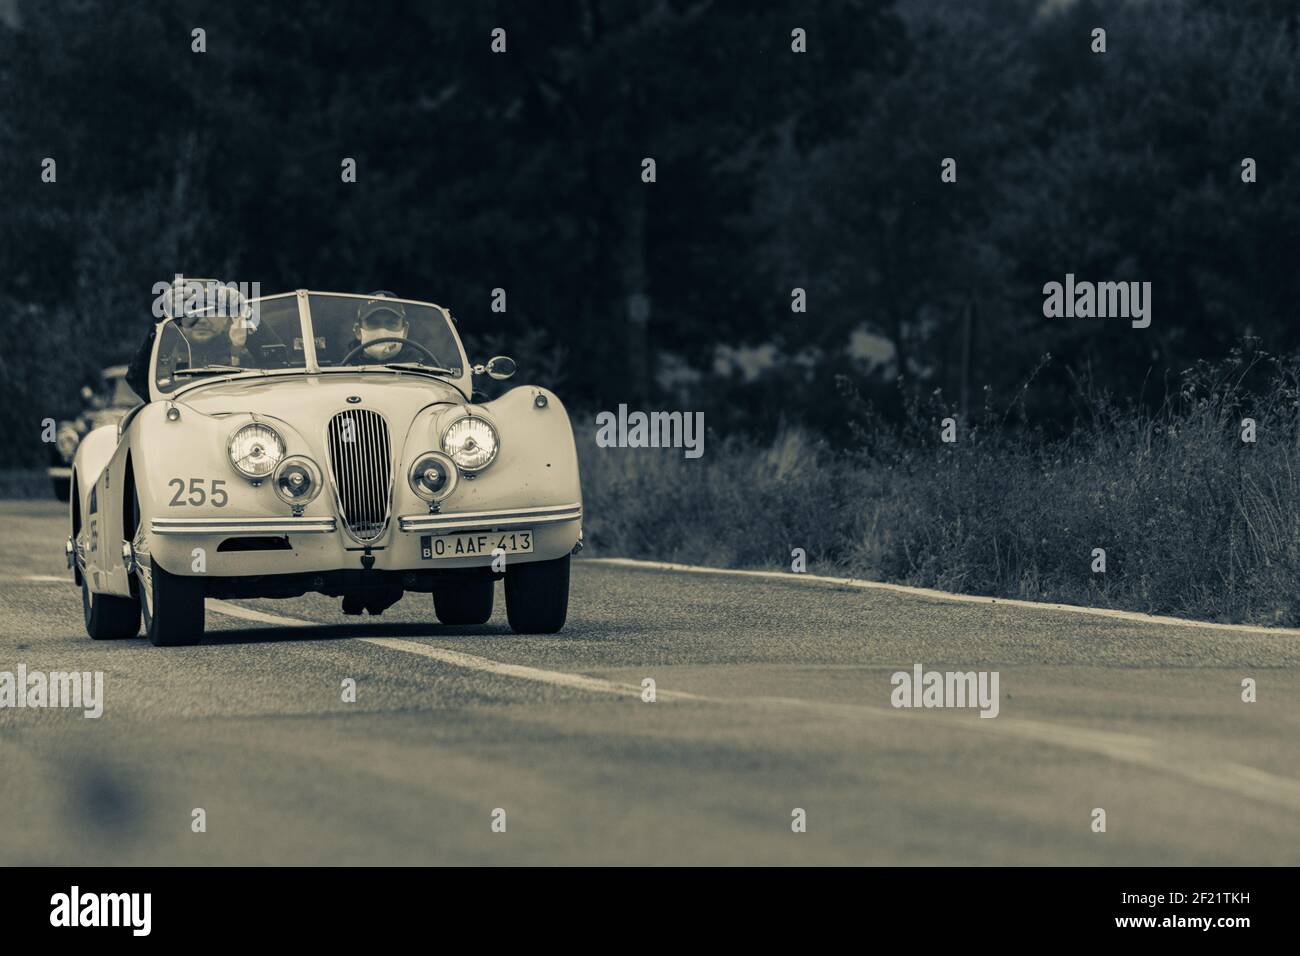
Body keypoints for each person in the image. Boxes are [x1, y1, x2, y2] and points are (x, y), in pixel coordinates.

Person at [350, 292, 409, 362]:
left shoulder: (421, 368)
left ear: (405, 332)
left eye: (392, 323)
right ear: (358, 331)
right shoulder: (341, 370)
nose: (382, 333)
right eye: (373, 323)